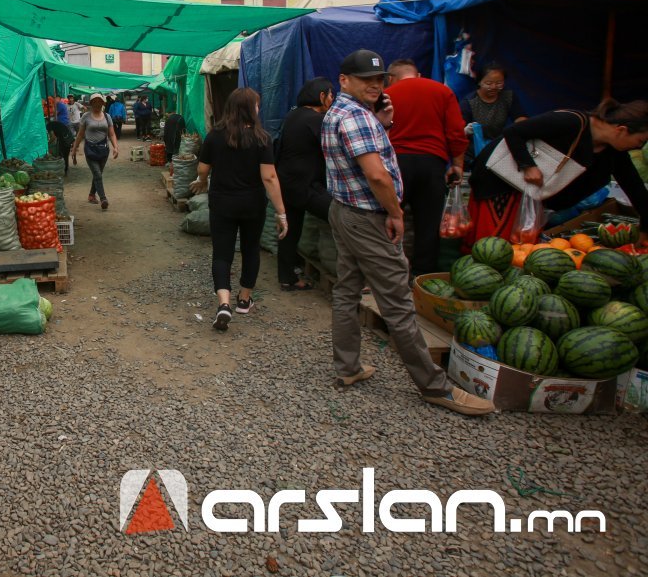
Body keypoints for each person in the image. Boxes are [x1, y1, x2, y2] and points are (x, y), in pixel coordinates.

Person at [322, 49, 493, 415]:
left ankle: (347, 367)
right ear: (344, 80)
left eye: (379, 79)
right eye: (366, 80)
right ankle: (434, 387)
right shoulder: (357, 118)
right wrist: (396, 212)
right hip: (367, 217)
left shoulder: (342, 112)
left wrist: (382, 124)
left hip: (345, 211)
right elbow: (377, 174)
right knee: (397, 301)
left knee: (347, 289)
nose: (375, 85)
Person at [466, 99, 648, 246]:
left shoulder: (614, 153)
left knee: (518, 245)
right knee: (493, 245)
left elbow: (635, 187)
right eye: (640, 140)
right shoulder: (572, 122)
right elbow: (514, 132)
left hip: (530, 194)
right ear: (622, 130)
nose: (639, 146)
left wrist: (644, 229)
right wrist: (527, 165)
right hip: (500, 181)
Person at [189, 88, 287, 332]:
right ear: (249, 108)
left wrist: (202, 181)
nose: (258, 110)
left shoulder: (215, 136)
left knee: (222, 254)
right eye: (256, 105)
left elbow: (202, 169)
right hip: (252, 204)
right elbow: (270, 177)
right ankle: (244, 300)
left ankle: (224, 303)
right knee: (250, 249)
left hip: (222, 203)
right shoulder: (261, 138)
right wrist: (281, 211)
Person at [385, 59, 469, 276]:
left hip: (397, 163)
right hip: (432, 163)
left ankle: (388, 272)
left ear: (391, 77)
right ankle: (422, 275)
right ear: (418, 74)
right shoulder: (442, 92)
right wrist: (457, 165)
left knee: (390, 216)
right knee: (428, 223)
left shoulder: (387, 94)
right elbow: (456, 133)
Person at [274, 78, 335, 290]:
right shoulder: (316, 120)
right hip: (305, 184)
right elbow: (334, 151)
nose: (332, 100)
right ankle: (354, 277)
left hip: (287, 182)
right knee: (342, 218)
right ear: (321, 97)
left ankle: (287, 277)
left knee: (289, 231)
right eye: (330, 95)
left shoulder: (293, 116)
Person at [460, 64, 528, 160]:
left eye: (499, 83)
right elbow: (459, 132)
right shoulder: (468, 102)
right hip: (473, 151)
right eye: (488, 83)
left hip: (498, 147)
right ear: (479, 82)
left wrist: (520, 127)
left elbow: (520, 116)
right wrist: (467, 130)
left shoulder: (508, 97)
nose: (494, 87)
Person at [71, 95, 119, 209]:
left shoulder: (107, 117)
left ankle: (91, 195)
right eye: (95, 101)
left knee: (98, 174)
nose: (97, 103)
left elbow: (111, 134)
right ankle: (103, 199)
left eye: (100, 101)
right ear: (91, 103)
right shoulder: (86, 117)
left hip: (103, 150)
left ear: (103, 103)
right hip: (90, 150)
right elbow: (80, 134)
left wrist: (115, 147)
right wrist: (74, 149)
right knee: (97, 174)